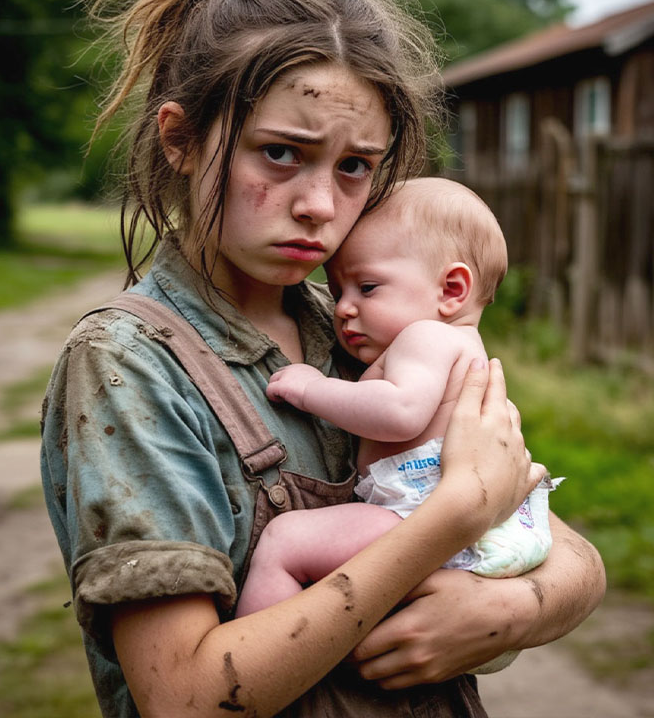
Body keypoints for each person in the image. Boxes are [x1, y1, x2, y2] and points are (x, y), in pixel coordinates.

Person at [39, 0, 605, 717]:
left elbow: (572, 555)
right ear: (181, 138)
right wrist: (451, 520)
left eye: (354, 166)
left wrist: (512, 609)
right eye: (281, 153)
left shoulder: (358, 325)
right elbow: (186, 699)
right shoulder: (127, 366)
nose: (318, 204)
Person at [237, 178, 562, 675]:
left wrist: (310, 389)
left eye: (366, 287)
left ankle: (262, 669)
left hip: (422, 512)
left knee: (284, 543)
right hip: (470, 519)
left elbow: (399, 411)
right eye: (338, 287)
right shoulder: (454, 344)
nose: (343, 307)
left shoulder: (426, 337)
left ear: (452, 290)